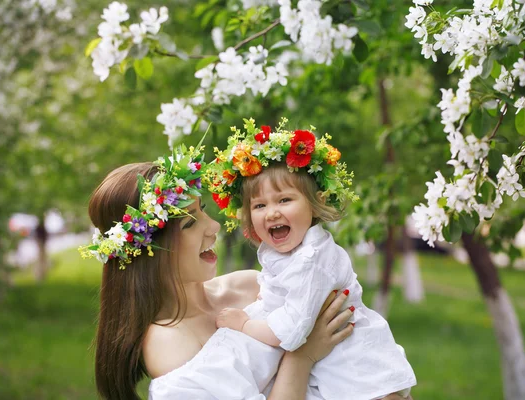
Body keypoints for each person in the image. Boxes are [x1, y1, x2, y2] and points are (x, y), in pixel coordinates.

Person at [79, 147, 355, 400]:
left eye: (204, 211)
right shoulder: (169, 343)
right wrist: (302, 356)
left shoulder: (249, 285)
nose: (213, 227)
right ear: (150, 251)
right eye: (189, 224)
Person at [208, 119, 417, 400]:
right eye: (259, 205)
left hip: (361, 378)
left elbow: (291, 332)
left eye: (284, 200)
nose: (271, 213)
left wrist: (244, 324)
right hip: (335, 371)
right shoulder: (282, 253)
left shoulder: (311, 259)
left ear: (314, 204)